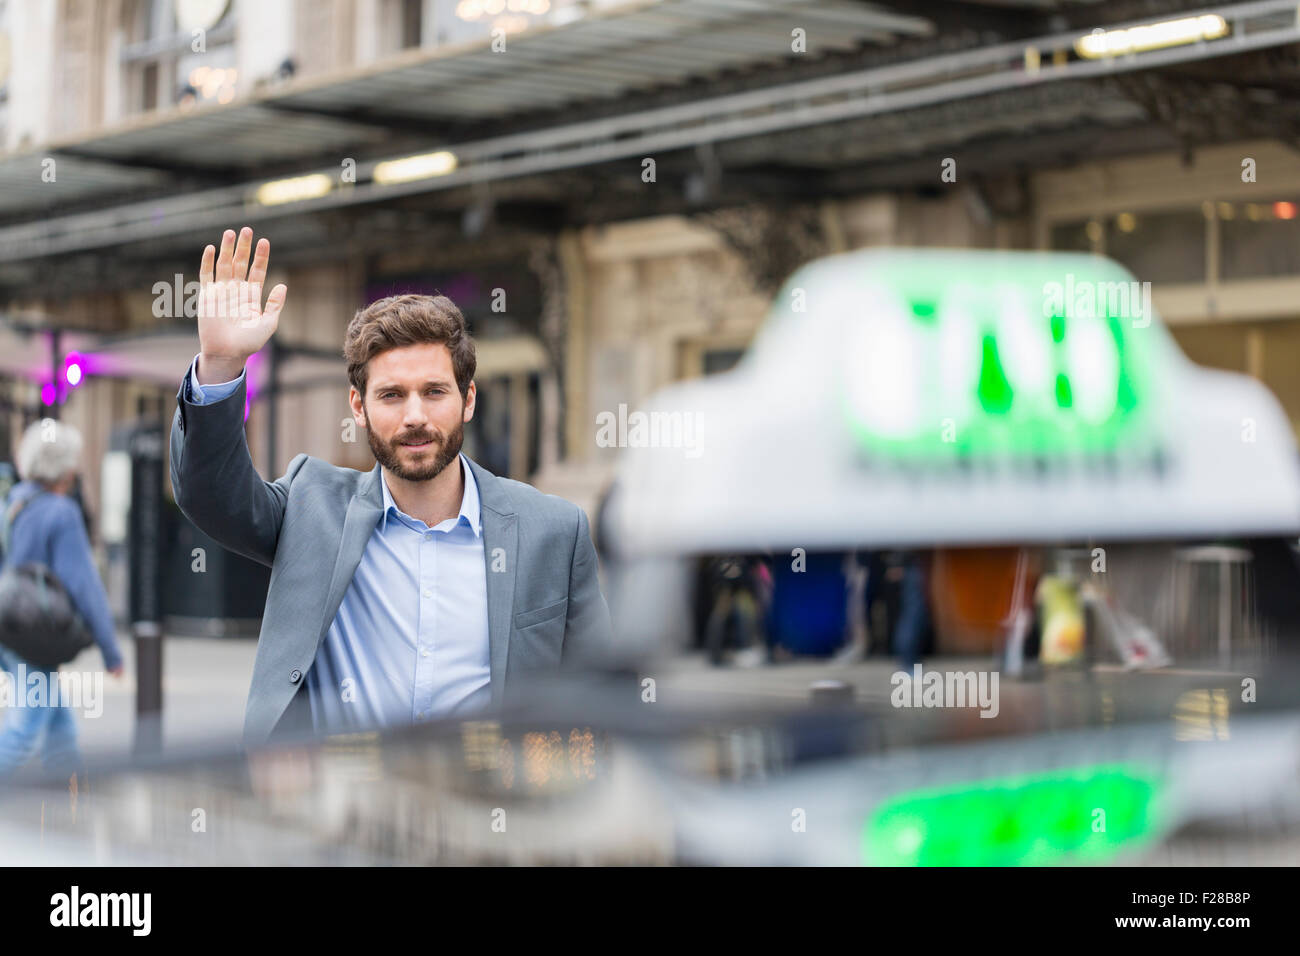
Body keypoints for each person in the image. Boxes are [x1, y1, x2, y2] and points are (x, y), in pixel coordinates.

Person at [170, 227, 612, 747]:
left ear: (468, 400)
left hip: (490, 810)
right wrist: (221, 365)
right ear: (358, 407)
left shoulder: (553, 531)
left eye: (434, 392)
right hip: (340, 809)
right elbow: (209, 493)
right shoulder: (312, 507)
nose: (415, 417)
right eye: (391, 395)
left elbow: (599, 699)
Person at [0, 420, 124, 777]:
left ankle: (69, 804)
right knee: (23, 732)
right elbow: (84, 584)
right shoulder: (61, 513)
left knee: (60, 730)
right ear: (66, 467)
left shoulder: (15, 503)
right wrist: (111, 651)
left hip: (10, 627)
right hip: (35, 632)